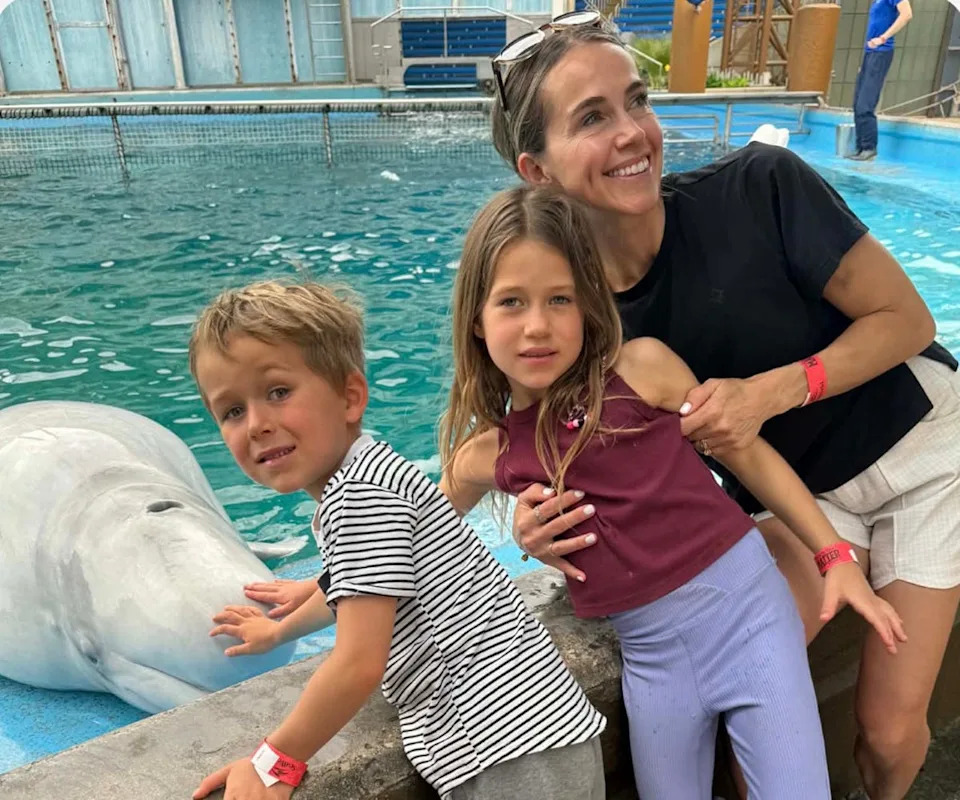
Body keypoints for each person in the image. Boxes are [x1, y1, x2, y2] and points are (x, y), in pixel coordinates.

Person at [489, 16, 960, 800]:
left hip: (920, 452)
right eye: (593, 117)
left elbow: (909, 323)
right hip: (795, 495)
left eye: (635, 101)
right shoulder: (567, 318)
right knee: (740, 738)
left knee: (885, 735)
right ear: (536, 169)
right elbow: (528, 450)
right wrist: (528, 527)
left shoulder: (760, 187)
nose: (634, 132)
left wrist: (771, 391)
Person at [439, 184, 906, 799]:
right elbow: (400, 532)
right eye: (511, 302)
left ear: (589, 305)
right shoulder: (489, 453)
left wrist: (833, 556)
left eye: (561, 298)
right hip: (655, 663)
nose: (538, 325)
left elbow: (746, 451)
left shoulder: (641, 368)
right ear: (476, 317)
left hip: (751, 616)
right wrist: (313, 599)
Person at [186, 281, 606, 800]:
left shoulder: (359, 500)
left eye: (278, 392)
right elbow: (371, 584)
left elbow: (359, 661)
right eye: (231, 411)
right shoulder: (376, 472)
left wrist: (275, 761)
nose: (256, 425)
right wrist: (281, 630)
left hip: (508, 755)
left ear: (349, 397)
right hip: (531, 739)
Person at [849, 0, 913, 161]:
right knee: (857, 103)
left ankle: (869, 147)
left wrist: (884, 37)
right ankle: (861, 146)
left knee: (865, 104)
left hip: (881, 52)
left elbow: (907, 15)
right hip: (870, 53)